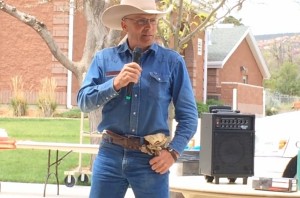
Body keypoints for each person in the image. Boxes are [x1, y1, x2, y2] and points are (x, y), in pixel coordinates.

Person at [77, 0, 198, 197]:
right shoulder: (104, 59)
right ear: (124, 25)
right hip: (110, 155)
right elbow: (83, 102)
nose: (149, 27)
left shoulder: (172, 62)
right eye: (141, 21)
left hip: (151, 159)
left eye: (153, 20)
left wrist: (173, 152)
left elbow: (189, 117)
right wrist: (115, 83)